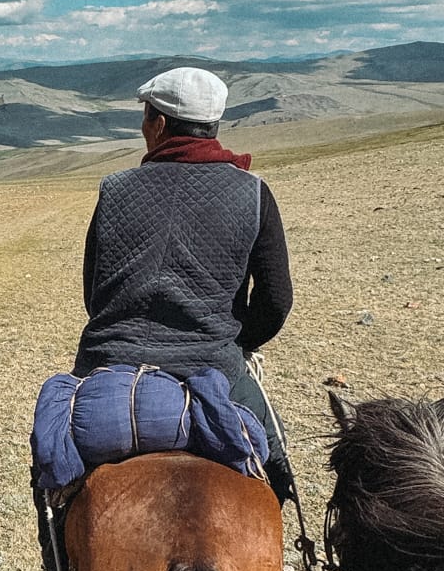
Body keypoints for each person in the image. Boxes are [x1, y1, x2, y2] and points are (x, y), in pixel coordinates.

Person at [73, 63, 295, 500]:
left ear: (158, 123)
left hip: (112, 359)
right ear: (212, 126)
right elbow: (276, 300)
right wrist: (235, 340)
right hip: (217, 365)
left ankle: (55, 542)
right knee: (275, 458)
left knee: (55, 449)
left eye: (144, 117)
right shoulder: (253, 193)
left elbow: (94, 293)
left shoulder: (114, 189)